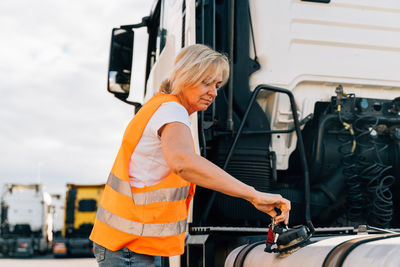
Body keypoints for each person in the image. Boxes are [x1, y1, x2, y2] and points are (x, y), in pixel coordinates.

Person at [89, 44, 290, 266]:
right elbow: (183, 163)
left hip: (131, 243)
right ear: (184, 77)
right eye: (206, 83)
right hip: (130, 248)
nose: (214, 92)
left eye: (217, 84)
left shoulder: (159, 107)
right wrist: (253, 195)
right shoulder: (171, 110)